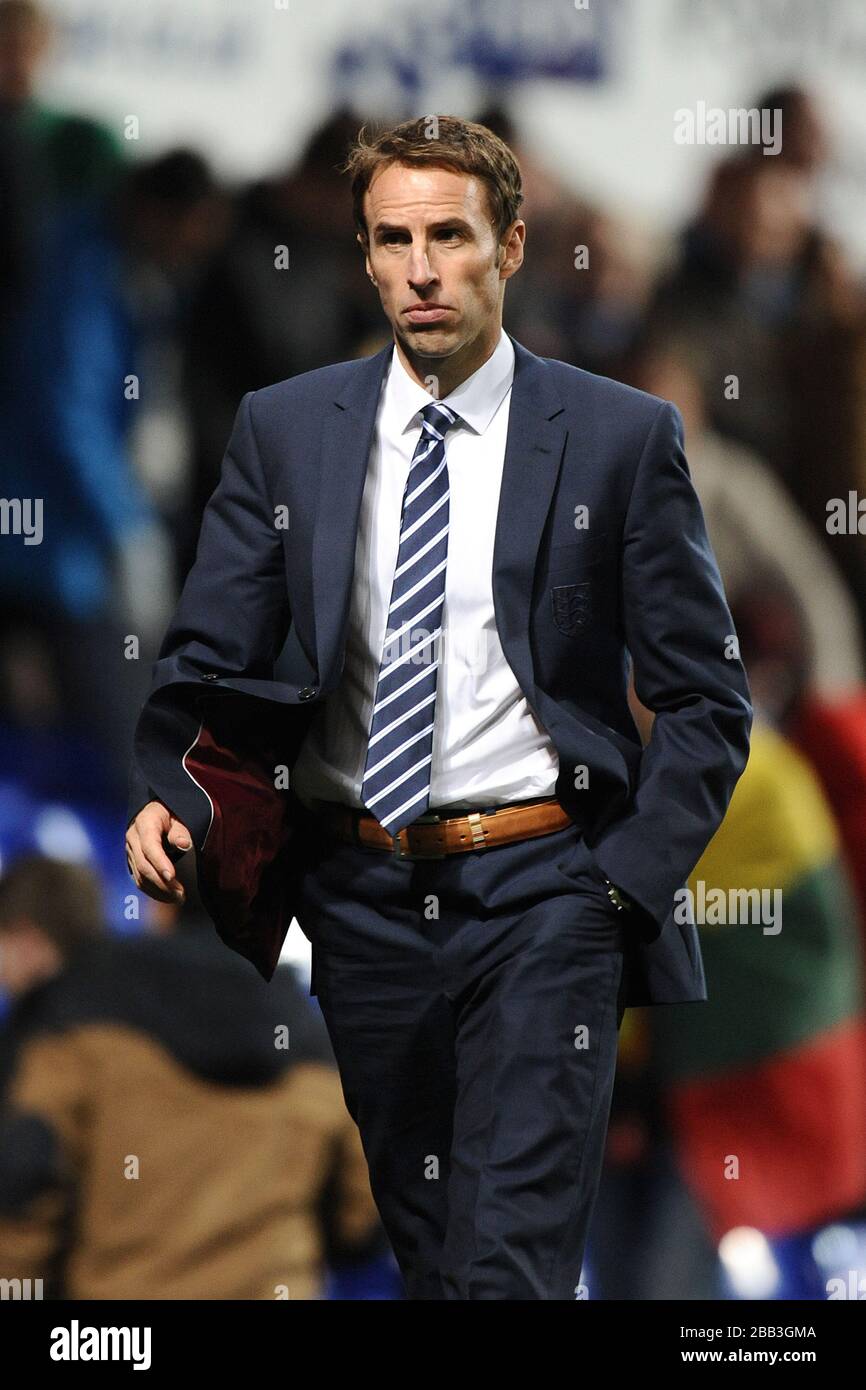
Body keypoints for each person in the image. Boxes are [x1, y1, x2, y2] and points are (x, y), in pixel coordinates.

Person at [125, 115, 752, 1300]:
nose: (419, 266)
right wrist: (174, 798)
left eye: (448, 236)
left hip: (544, 896)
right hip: (361, 904)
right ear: (363, 256)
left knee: (505, 1273)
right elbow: (208, 654)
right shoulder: (283, 430)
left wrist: (612, 889)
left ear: (510, 248)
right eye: (392, 238)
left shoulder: (619, 438)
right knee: (435, 1266)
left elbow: (707, 700)